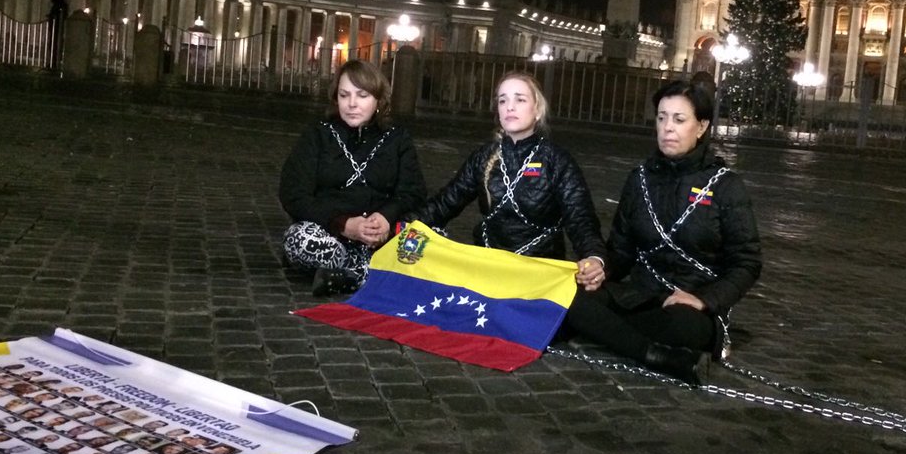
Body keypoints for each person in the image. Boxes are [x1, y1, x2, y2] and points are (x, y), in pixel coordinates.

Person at [559, 79, 763, 384]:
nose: (667, 127)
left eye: (679, 120)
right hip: (639, 297)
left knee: (683, 328)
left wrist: (703, 299)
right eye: (662, 117)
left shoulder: (725, 185)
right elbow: (621, 251)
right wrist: (601, 266)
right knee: (569, 298)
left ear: (702, 126)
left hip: (689, 308)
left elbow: (747, 262)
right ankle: (656, 355)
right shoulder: (639, 179)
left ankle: (610, 332)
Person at [418, 71, 605, 288]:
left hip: (538, 275)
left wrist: (594, 257)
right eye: (503, 100)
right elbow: (446, 203)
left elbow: (580, 218)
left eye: (520, 99)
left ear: (537, 110)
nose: (510, 106)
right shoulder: (484, 156)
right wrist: (397, 223)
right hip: (488, 269)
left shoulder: (557, 160)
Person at [279, 59, 427, 295]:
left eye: (362, 95)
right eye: (344, 95)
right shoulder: (318, 135)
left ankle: (348, 277)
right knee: (299, 239)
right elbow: (294, 194)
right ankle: (377, 274)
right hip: (329, 234)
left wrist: (385, 218)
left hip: (381, 237)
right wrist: (344, 224)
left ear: (378, 99)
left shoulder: (397, 139)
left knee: (429, 239)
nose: (352, 104)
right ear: (335, 98)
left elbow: (413, 191)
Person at [47, 0, 68, 69]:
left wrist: (50, 17)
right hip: (57, 29)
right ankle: (54, 62)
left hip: (56, 29)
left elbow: (54, 16)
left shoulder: (58, 8)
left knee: (53, 46)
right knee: (54, 46)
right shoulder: (63, 7)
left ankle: (54, 62)